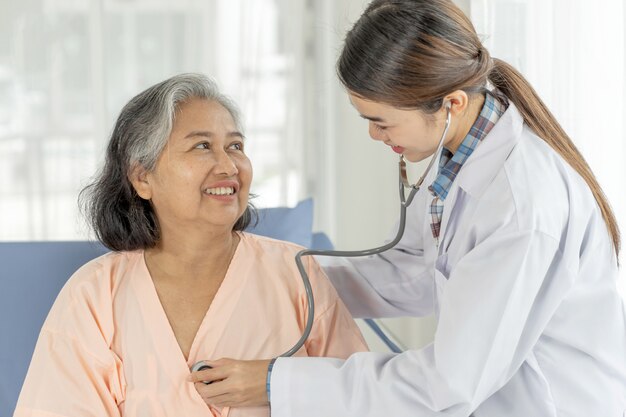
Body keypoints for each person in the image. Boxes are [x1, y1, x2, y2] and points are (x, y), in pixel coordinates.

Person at [188, 1, 626, 416]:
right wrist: (279, 278)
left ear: (451, 104)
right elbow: (415, 273)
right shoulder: (462, 163)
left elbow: (448, 385)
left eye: (381, 121)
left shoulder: (519, 206)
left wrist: (273, 383)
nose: (375, 136)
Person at [13, 73, 367, 417]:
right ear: (142, 177)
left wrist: (281, 384)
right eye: (202, 146)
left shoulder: (296, 274)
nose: (229, 165)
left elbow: (362, 399)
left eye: (236, 146)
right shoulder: (94, 294)